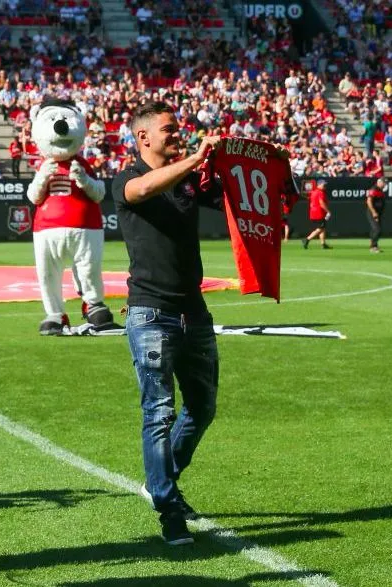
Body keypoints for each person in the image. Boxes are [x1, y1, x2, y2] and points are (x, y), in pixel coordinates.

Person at [111, 102, 222, 546]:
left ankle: (162, 482)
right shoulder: (125, 177)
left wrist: (250, 162)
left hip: (194, 311)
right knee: (159, 412)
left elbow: (235, 197)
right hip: (151, 311)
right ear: (143, 138)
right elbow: (140, 192)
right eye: (170, 129)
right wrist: (195, 159)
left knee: (203, 407)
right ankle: (169, 508)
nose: (179, 134)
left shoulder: (189, 178)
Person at [302, 179, 331, 249]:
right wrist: (328, 211)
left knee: (322, 228)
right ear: (319, 185)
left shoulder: (314, 192)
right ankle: (307, 239)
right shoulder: (320, 192)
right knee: (320, 228)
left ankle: (323, 244)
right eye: (323, 184)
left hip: (313, 212)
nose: (325, 186)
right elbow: (321, 203)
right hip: (319, 213)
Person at [366, 177, 386, 253]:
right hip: (372, 213)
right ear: (379, 182)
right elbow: (369, 201)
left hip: (378, 212)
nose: (385, 185)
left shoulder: (380, 190)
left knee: (376, 230)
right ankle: (373, 247)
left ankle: (374, 245)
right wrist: (374, 212)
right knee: (377, 229)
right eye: (384, 183)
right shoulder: (374, 189)